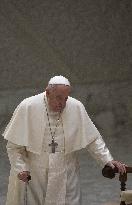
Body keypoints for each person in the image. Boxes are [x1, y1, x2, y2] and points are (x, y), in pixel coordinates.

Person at [2, 75, 126, 205]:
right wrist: (21, 168)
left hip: (67, 173)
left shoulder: (76, 107)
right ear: (48, 92)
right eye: (58, 98)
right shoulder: (28, 107)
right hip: (35, 175)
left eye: (66, 98)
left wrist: (107, 160)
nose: (62, 103)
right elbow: (14, 147)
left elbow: (93, 140)